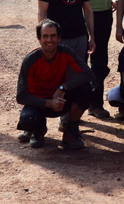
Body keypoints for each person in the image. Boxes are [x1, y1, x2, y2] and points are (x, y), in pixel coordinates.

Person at [16, 19, 94, 150]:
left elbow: (89, 74)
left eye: (53, 36)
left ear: (59, 38)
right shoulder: (30, 60)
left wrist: (63, 87)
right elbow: (21, 96)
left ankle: (71, 131)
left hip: (60, 99)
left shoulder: (66, 52)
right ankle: (38, 131)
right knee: (27, 120)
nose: (49, 40)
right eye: (45, 36)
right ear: (39, 39)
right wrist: (48, 103)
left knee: (86, 89)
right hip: (39, 103)